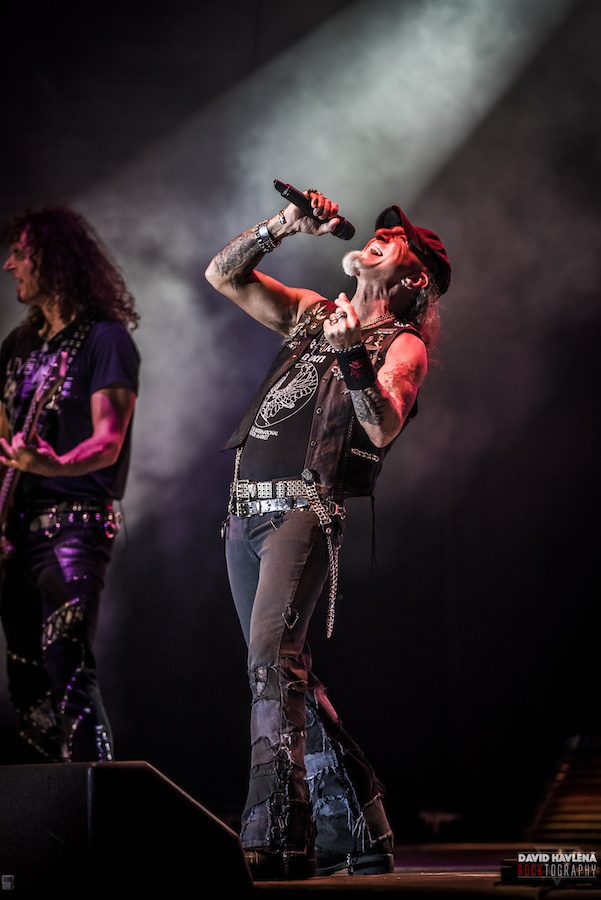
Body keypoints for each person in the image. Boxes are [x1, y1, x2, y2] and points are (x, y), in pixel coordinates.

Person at [204, 187, 451, 881]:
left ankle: (279, 829)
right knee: (284, 672)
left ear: (414, 280)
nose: (379, 235)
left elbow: (383, 424)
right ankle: (362, 825)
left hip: (302, 511)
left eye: (395, 240)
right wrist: (284, 225)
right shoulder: (315, 314)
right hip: (244, 513)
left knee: (269, 663)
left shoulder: (400, 344)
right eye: (380, 231)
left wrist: (351, 358)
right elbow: (222, 275)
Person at [0, 204, 141, 764]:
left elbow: (108, 441)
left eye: (20, 253)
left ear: (52, 259)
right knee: (26, 684)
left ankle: (95, 804)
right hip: (15, 532)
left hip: (74, 527)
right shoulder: (17, 345)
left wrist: (51, 463)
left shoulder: (106, 340)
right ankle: (43, 809)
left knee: (67, 666)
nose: (9, 265)